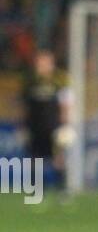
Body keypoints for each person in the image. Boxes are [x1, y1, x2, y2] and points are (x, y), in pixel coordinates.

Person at [21, 49, 74, 196]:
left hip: (53, 124)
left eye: (43, 62)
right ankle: (37, 190)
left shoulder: (59, 79)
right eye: (38, 62)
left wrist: (65, 124)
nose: (40, 65)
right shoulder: (30, 80)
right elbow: (25, 104)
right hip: (34, 125)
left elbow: (66, 102)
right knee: (35, 158)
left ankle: (62, 189)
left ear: (51, 63)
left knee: (58, 157)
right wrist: (23, 125)